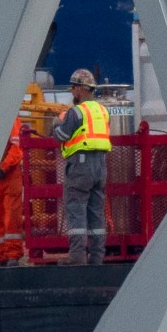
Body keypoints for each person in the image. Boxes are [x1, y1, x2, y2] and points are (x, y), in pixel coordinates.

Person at [51, 69, 112, 265]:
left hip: (80, 166)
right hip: (100, 166)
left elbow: (61, 135)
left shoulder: (76, 112)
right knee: (96, 214)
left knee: (76, 210)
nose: (71, 92)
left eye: (73, 88)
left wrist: (55, 124)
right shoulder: (103, 111)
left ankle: (77, 257)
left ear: (79, 89)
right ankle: (96, 258)